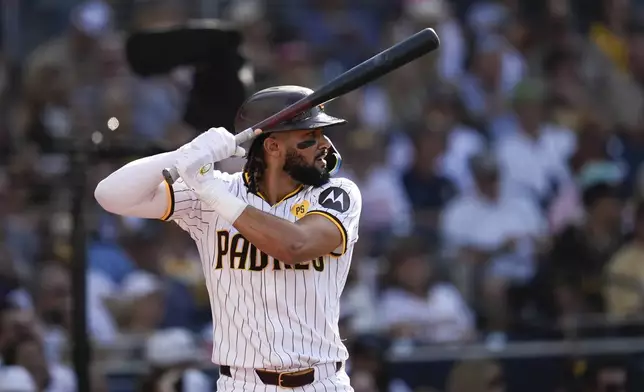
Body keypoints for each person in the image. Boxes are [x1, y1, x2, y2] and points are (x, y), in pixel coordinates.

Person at [95, 85, 362, 391]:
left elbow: (296, 246)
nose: (325, 144)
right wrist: (186, 153)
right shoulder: (215, 190)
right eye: (310, 137)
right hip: (242, 383)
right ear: (273, 147)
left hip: (321, 382)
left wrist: (213, 194)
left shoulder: (335, 193)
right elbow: (110, 194)